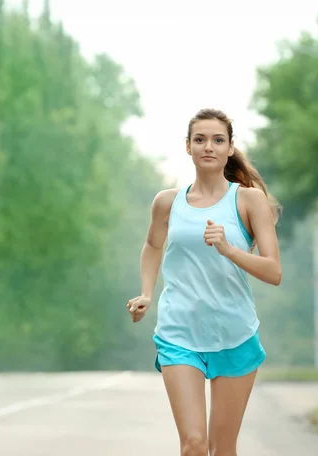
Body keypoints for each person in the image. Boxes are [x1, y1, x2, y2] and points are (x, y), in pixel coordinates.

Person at [127, 108, 282, 456]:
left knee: (222, 447)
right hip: (179, 332)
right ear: (188, 147)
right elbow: (152, 246)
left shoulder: (248, 200)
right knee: (194, 444)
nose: (208, 146)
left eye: (217, 140)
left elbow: (274, 272)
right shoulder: (167, 202)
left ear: (229, 148)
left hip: (234, 332)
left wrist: (228, 249)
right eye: (200, 139)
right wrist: (147, 293)